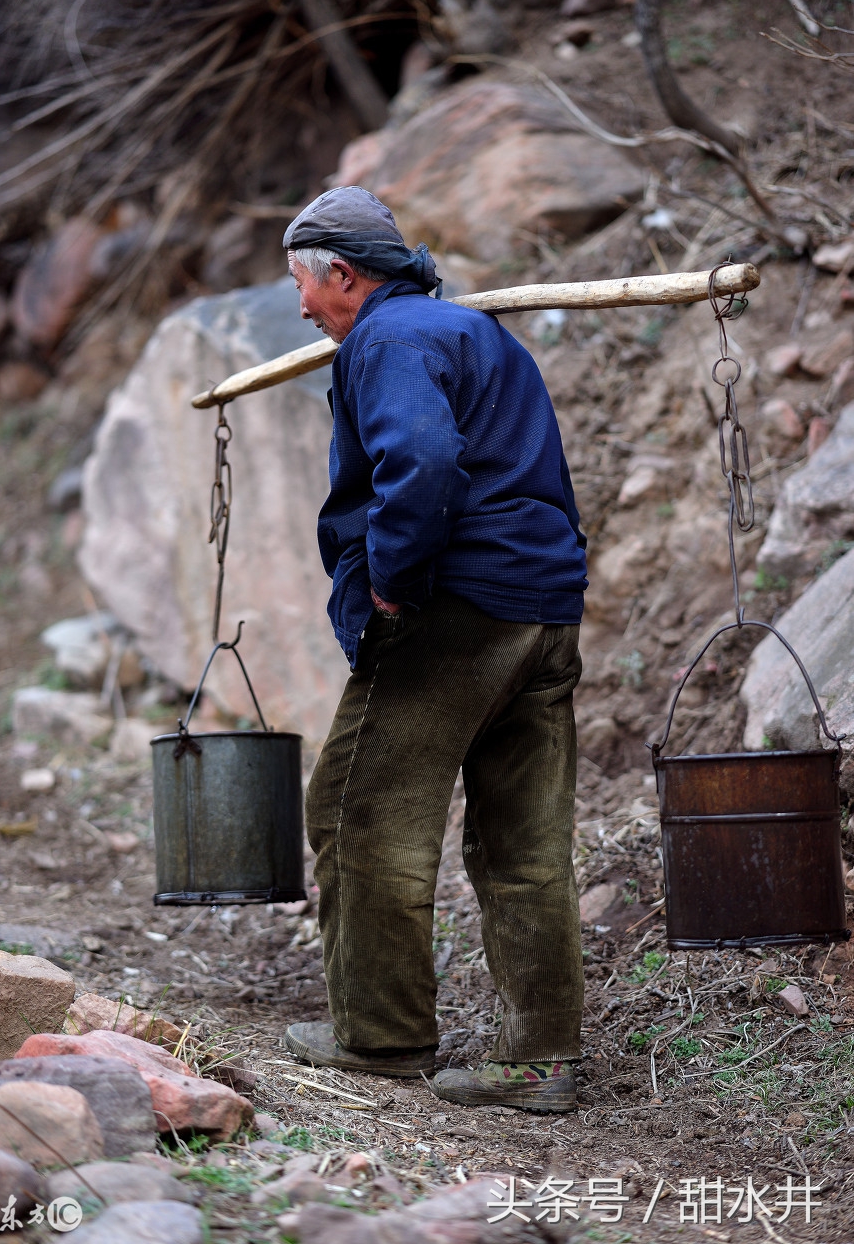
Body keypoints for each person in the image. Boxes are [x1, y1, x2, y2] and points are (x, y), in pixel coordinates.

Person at [282, 186, 588, 1112]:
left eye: (302, 284)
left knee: (357, 811)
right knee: (525, 843)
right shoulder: (474, 332)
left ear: (343, 274)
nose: (301, 307)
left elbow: (422, 456)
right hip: (544, 605)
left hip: (454, 610)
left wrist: (394, 579)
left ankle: (381, 1039)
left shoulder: (388, 339)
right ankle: (541, 1062)